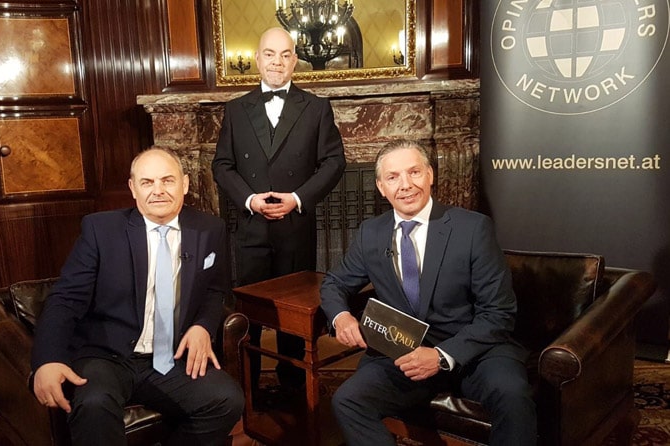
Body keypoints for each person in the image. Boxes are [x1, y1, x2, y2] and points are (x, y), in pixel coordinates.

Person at [320, 140, 536, 446]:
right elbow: (334, 282)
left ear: (430, 175)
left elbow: (499, 313)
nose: (405, 185)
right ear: (381, 187)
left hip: (474, 351)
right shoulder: (371, 232)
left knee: (512, 395)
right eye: (393, 177)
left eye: (414, 172)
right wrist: (341, 316)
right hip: (403, 352)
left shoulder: (473, 228)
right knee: (348, 400)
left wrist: (441, 356)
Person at [31, 148, 244, 446]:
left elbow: (214, 290)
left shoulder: (209, 228)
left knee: (227, 400)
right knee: (94, 404)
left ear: (184, 184)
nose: (158, 190)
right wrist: (48, 359)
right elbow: (65, 299)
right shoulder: (101, 229)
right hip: (106, 355)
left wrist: (202, 326)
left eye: (167, 180)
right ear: (133, 188)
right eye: (147, 182)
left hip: (172, 357)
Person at [212, 27, 346, 390]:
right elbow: (222, 165)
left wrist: (298, 198)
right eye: (270, 54)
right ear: (257, 59)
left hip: (295, 228)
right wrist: (250, 200)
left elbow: (334, 162)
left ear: (295, 61)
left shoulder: (316, 107)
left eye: (285, 54)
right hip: (252, 229)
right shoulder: (236, 109)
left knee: (294, 316)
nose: (277, 62)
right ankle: (248, 391)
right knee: (249, 318)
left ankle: (294, 390)